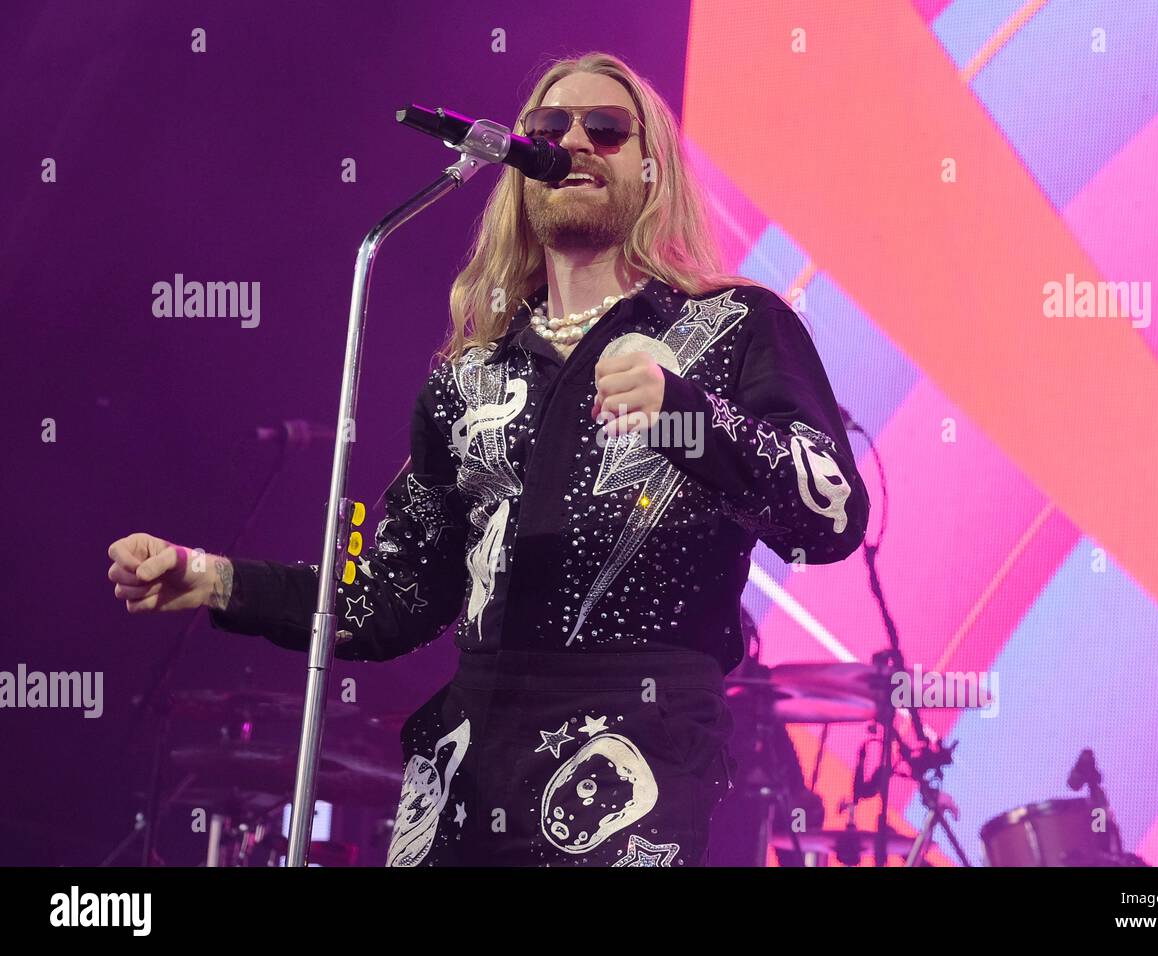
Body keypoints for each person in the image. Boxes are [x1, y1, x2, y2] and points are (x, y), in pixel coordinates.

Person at [107, 51, 868, 867]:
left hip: (632, 763)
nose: (573, 143)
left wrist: (685, 415)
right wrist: (214, 579)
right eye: (548, 129)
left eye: (605, 130)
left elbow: (829, 516)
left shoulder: (732, 327)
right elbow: (391, 600)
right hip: (467, 769)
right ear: (518, 166)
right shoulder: (470, 375)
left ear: (651, 169)